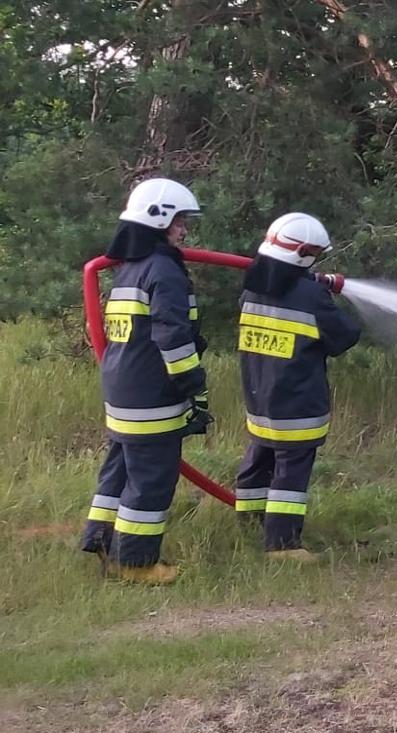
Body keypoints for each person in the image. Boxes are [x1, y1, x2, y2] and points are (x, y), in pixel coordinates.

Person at [79, 178, 209, 585]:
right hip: (151, 393)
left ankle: (101, 541)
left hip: (122, 389)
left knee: (118, 470)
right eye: (179, 222)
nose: (184, 231)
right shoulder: (163, 270)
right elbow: (172, 338)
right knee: (152, 479)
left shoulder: (129, 268)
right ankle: (134, 564)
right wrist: (194, 388)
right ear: (159, 220)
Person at [232, 213, 360, 561]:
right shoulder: (311, 296)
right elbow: (345, 337)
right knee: (291, 471)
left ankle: (250, 521)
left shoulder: (252, 286)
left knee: (258, 458)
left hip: (259, 398)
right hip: (297, 403)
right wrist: (318, 291)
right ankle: (282, 545)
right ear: (305, 254)